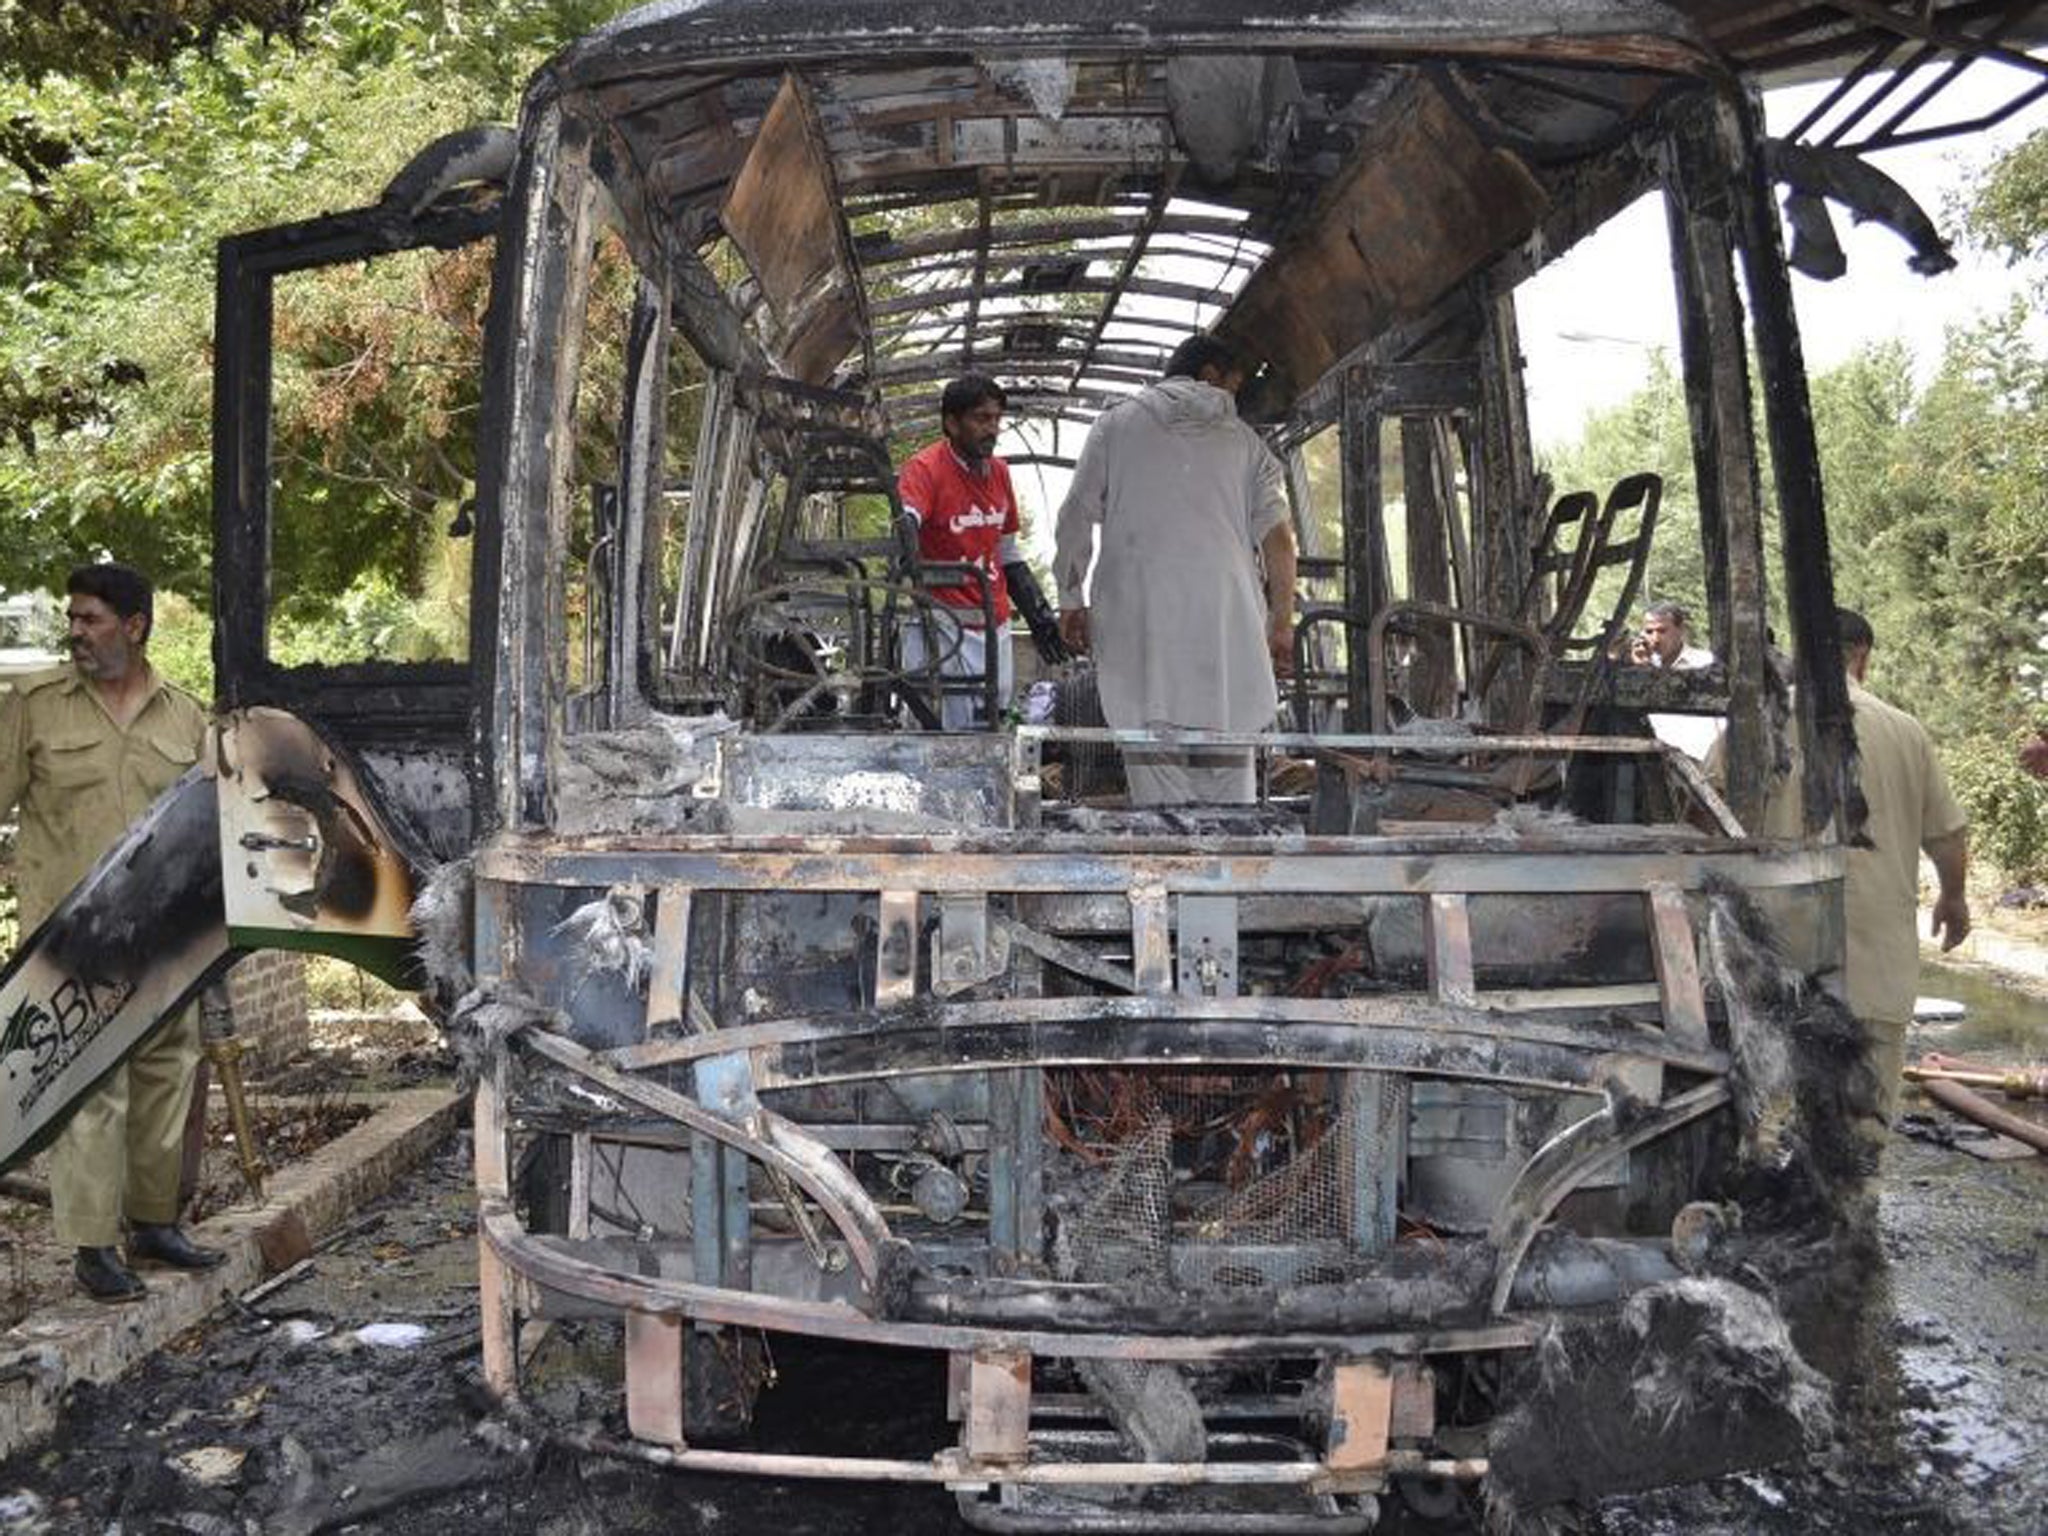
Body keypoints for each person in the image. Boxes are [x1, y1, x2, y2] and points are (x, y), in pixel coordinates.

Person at [0, 563, 224, 1301]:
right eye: (72, 619)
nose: (76, 634)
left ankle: (153, 1223)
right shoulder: (34, 709)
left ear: (135, 627)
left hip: (164, 941)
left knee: (166, 1073)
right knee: (88, 1088)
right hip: (69, 943)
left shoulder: (186, 718)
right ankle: (93, 1246)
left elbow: (213, 834)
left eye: (90, 620)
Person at [1051, 335, 1297, 804]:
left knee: (1153, 764)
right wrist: (1280, 624)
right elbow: (1280, 540)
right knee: (1230, 766)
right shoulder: (1247, 444)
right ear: (1209, 375)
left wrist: (1071, 600)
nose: (1233, 401)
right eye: (1234, 388)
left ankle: (1169, 861)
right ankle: (1230, 862)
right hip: (1227, 626)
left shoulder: (1114, 427)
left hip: (1140, 623)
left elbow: (1076, 517)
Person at [1831, 608, 1970, 1121]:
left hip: (1779, 963)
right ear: (1861, 658)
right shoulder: (1904, 731)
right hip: (1877, 965)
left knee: (1780, 1129)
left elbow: (1701, 818)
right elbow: (1947, 835)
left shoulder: (1762, 723)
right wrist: (1953, 898)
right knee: (1864, 1126)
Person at [896, 375, 1065, 729]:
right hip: (941, 622)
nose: (992, 429)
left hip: (993, 620)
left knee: (993, 723)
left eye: (996, 419)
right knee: (945, 730)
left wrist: (1038, 614)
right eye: (980, 419)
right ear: (951, 423)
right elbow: (905, 522)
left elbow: (1007, 550)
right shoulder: (925, 469)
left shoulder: (1000, 473)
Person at [1632, 600, 1722, 760]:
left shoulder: (1705, 662)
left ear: (1681, 630)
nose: (1655, 638)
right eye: (1649, 631)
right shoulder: (1643, 665)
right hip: (1656, 761)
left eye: (1662, 631)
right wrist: (1640, 670)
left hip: (1702, 761)